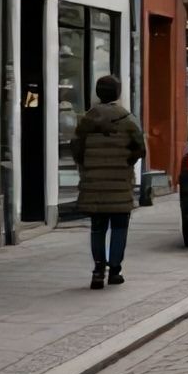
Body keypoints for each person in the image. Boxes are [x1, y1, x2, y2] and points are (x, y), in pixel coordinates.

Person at [70, 74, 145, 290]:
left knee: (97, 228)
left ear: (97, 92)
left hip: (94, 184)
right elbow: (140, 149)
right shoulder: (127, 119)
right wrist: (126, 163)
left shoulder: (86, 120)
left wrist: (88, 167)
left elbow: (76, 150)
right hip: (119, 184)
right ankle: (115, 270)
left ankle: (97, 270)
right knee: (120, 227)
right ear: (118, 93)